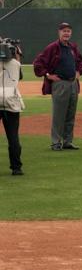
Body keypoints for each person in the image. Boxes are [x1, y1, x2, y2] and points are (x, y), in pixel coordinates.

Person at [33, 23, 82, 151]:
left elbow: (79, 61)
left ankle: (67, 141)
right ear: (59, 32)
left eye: (68, 31)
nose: (66, 33)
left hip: (73, 83)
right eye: (64, 31)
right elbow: (38, 63)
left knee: (70, 114)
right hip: (60, 84)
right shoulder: (53, 47)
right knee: (59, 115)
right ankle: (56, 142)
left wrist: (79, 71)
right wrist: (48, 75)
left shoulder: (73, 47)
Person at [0, 39, 24, 175]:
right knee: (13, 137)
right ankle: (16, 167)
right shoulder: (16, 64)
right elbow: (19, 77)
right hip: (11, 102)